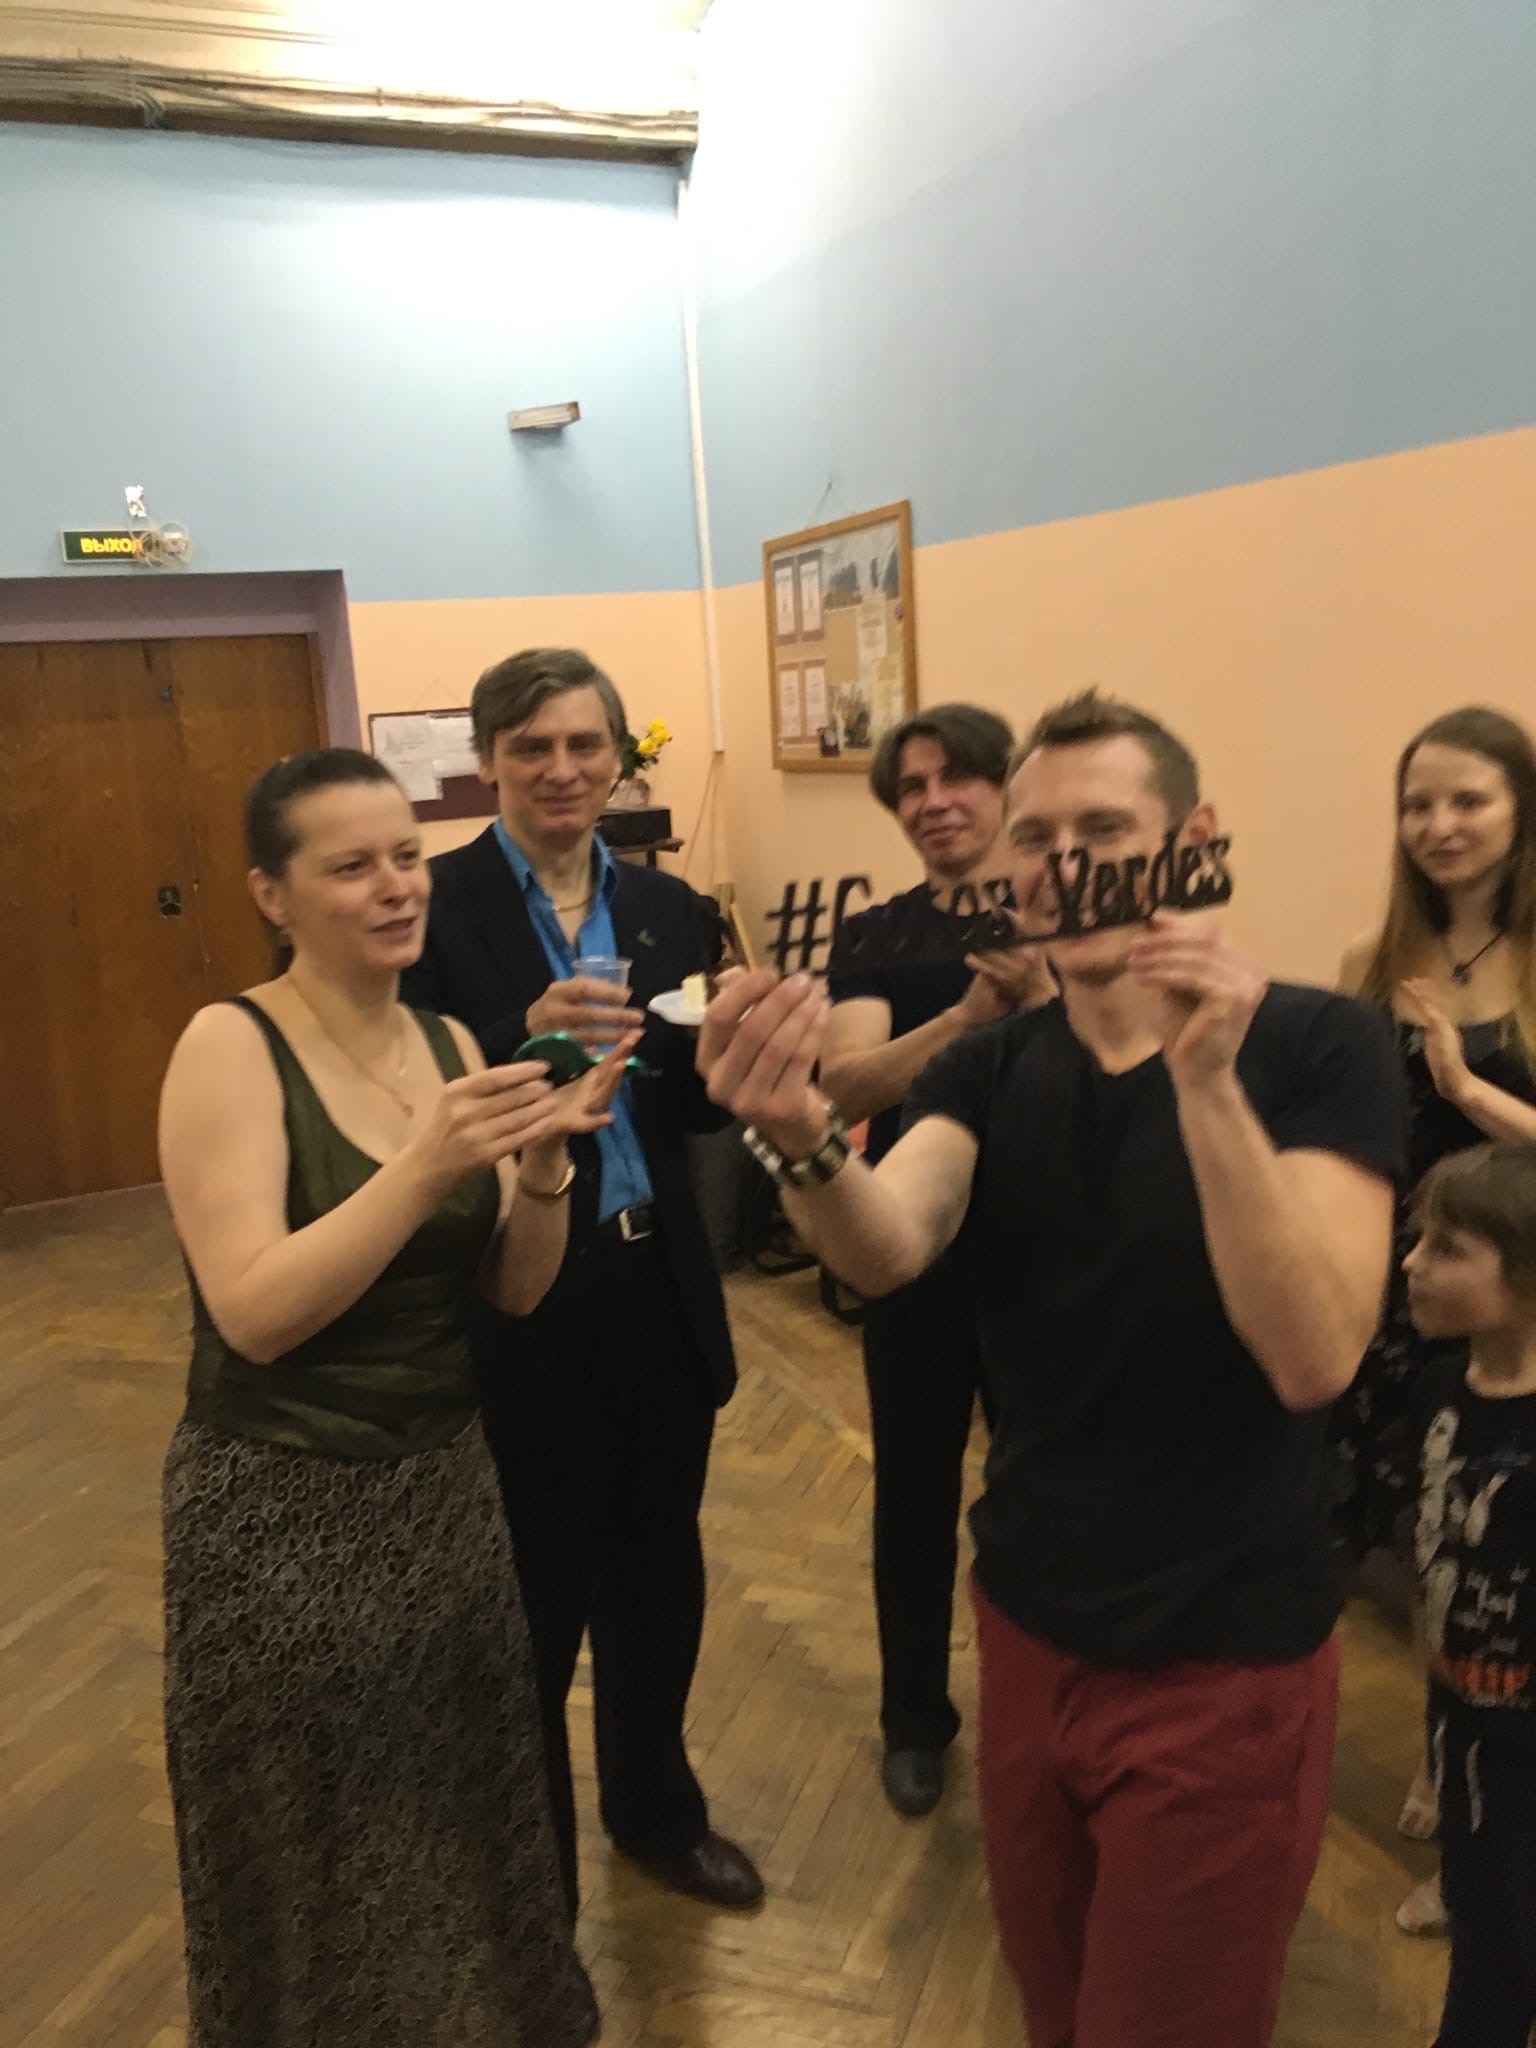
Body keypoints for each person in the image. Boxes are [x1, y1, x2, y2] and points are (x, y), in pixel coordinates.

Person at [697, 690, 1403, 2047]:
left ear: (1193, 841)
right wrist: (797, 1136)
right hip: (1026, 1624)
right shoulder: (988, 1066)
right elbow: (891, 1243)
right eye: (1037, 838)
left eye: (1105, 830)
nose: (1064, 866)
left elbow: (1314, 1353)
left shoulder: (1319, 1045)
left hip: (1220, 1657)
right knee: (1059, 2010)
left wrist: (1206, 1085)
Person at [159, 747, 623, 2047]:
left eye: (408, 856)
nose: (395, 886)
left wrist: (545, 1167)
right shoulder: (228, 1045)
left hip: (444, 1496)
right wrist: (423, 1165)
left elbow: (513, 1290)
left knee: (458, 1812)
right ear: (273, 893)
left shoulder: (449, 1040)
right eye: (352, 865)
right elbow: (254, 1311)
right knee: (318, 1845)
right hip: (279, 1514)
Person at [401, 648, 763, 1915]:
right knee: (533, 1602)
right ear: (488, 760)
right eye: (532, 746)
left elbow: (692, 1112)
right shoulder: (432, 907)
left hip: (655, 1285)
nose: (562, 768)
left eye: (584, 743)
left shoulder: (667, 907)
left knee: (660, 1576)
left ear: (617, 756)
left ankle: (657, 1815)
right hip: (520, 1288)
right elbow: (414, 1105)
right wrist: (525, 1036)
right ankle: (529, 1888)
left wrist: (738, 1048)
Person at [822, 703, 1054, 1816]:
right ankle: (914, 1718)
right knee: (913, 1490)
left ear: (1007, 788)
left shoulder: (1066, 918)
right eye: (911, 787)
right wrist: (964, 1017)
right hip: (910, 1246)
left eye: (958, 777)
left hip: (1053, 1248)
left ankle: (1046, 1706)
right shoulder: (875, 935)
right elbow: (845, 1086)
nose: (935, 801)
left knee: (1047, 1484)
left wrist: (1039, 996)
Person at [1334, 706, 1536, 1931]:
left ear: (1521, 810)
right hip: (1408, 1291)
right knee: (1428, 1533)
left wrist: (1466, 1086)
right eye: (1420, 803)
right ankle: (1438, 1743)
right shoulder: (1376, 956)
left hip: (1523, 1303)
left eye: (1470, 800)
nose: (1441, 824)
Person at [1400, 1142, 1536, 2048]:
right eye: (1419, 1239)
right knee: (1484, 1948)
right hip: (1464, 1730)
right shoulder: (1438, 1390)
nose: (1412, 1263)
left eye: (1446, 1248)